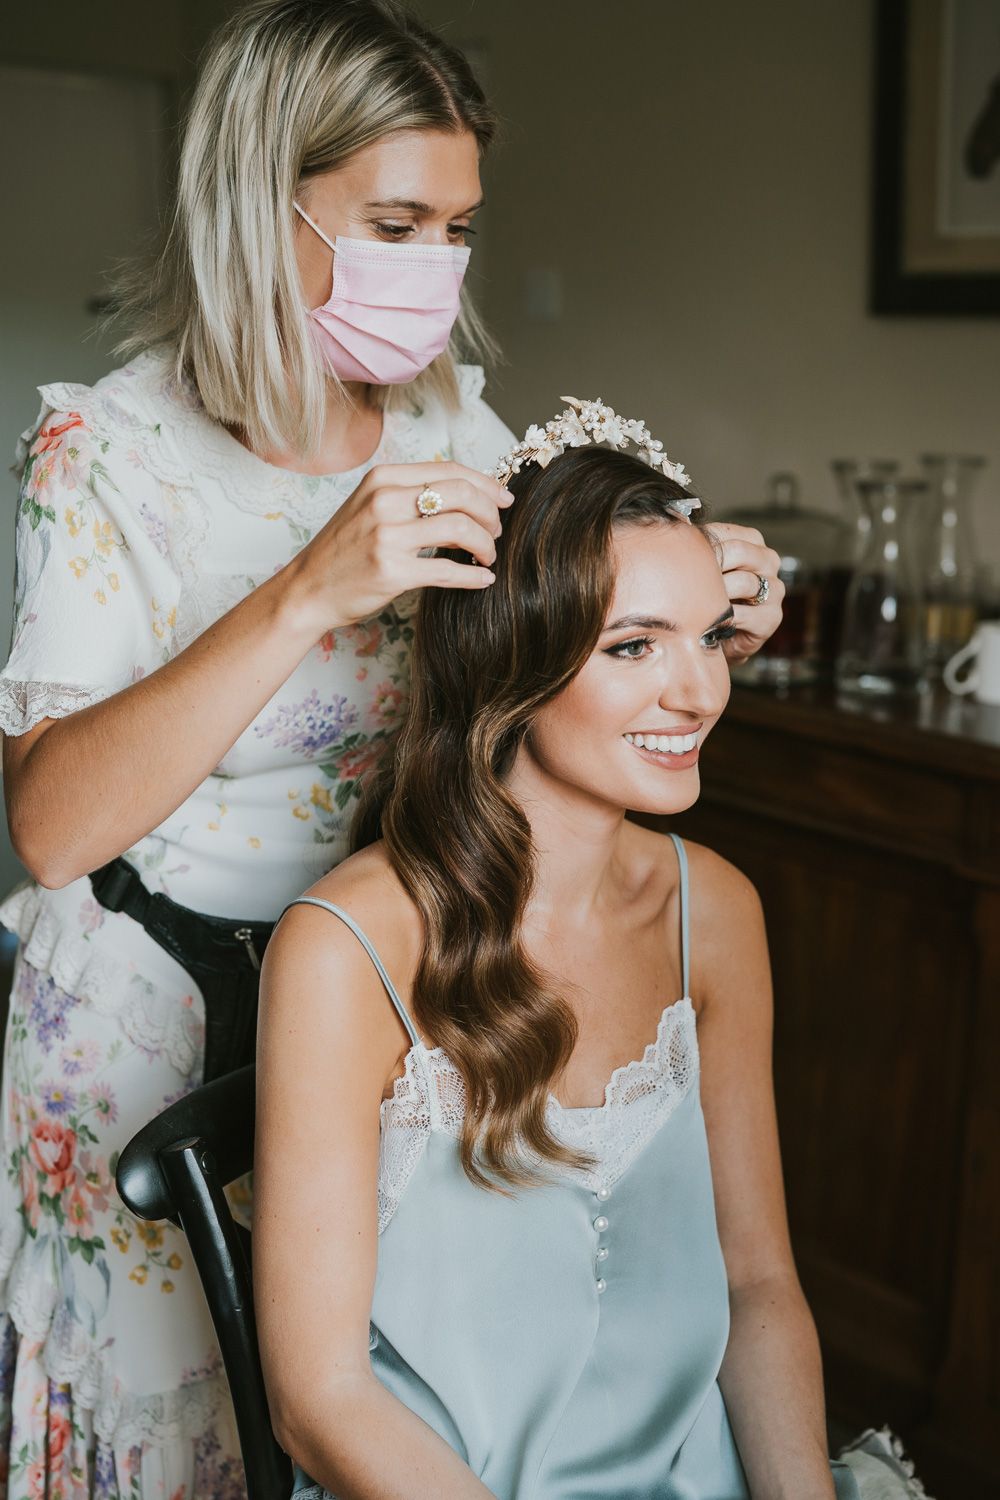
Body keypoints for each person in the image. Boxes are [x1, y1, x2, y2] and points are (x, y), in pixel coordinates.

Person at [0, 3, 782, 1496]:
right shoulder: (109, 457)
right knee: (172, 1438)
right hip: (151, 1009)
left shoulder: (454, 429)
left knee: (367, 1395)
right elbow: (49, 829)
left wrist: (702, 606)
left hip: (398, 993)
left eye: (458, 229)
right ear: (261, 204)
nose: (435, 268)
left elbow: (554, 659)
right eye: (396, 226)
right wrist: (305, 592)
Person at [255, 400, 931, 1500]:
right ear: (510, 660)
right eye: (633, 646)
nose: (699, 691)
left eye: (709, 636)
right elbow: (319, 1399)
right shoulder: (344, 949)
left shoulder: (714, 909)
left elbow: (757, 1285)